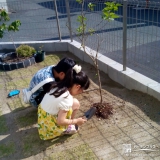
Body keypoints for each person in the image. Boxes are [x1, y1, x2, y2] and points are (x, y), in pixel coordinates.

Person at [37, 64, 90, 140]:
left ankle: (68, 123)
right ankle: (64, 129)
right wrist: (76, 121)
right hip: (49, 127)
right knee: (76, 129)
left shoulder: (57, 85)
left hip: (43, 118)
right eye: (82, 90)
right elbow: (60, 121)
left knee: (75, 103)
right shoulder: (66, 98)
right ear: (77, 87)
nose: (81, 92)